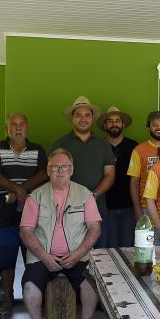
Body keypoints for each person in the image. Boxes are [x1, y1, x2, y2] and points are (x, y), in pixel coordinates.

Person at [19, 149, 101, 319]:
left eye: (65, 167)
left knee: (91, 285)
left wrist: (78, 253)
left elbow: (95, 228)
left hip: (77, 256)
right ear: (48, 171)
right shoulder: (35, 196)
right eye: (55, 167)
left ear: (72, 170)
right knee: (29, 288)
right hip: (42, 257)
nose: (60, 171)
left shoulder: (85, 194)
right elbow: (25, 231)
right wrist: (44, 256)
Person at [0, 113, 47, 319]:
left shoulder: (38, 149)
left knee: (34, 258)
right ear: (7, 128)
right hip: (5, 213)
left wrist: (19, 191)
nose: (18, 128)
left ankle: (34, 301)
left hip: (32, 214)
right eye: (13, 125)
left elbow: (43, 174)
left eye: (22, 124)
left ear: (27, 126)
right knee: (6, 260)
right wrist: (19, 190)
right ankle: (8, 302)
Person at [51, 96, 114, 246]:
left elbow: (110, 175)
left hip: (97, 210)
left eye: (87, 115)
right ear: (72, 118)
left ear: (92, 118)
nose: (83, 119)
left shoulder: (104, 145)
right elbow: (53, 175)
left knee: (100, 255)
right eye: (78, 115)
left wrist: (93, 196)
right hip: (67, 212)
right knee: (71, 255)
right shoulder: (60, 143)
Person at [99, 106, 139, 247]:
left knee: (127, 248)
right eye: (110, 121)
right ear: (105, 125)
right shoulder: (98, 146)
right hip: (104, 207)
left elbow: (138, 179)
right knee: (105, 248)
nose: (114, 124)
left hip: (128, 206)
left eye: (117, 121)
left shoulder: (134, 147)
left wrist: (138, 208)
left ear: (123, 124)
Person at [127, 110, 160, 220]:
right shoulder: (139, 150)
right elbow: (134, 183)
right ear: (148, 127)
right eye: (154, 125)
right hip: (147, 208)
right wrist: (137, 209)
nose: (159, 128)